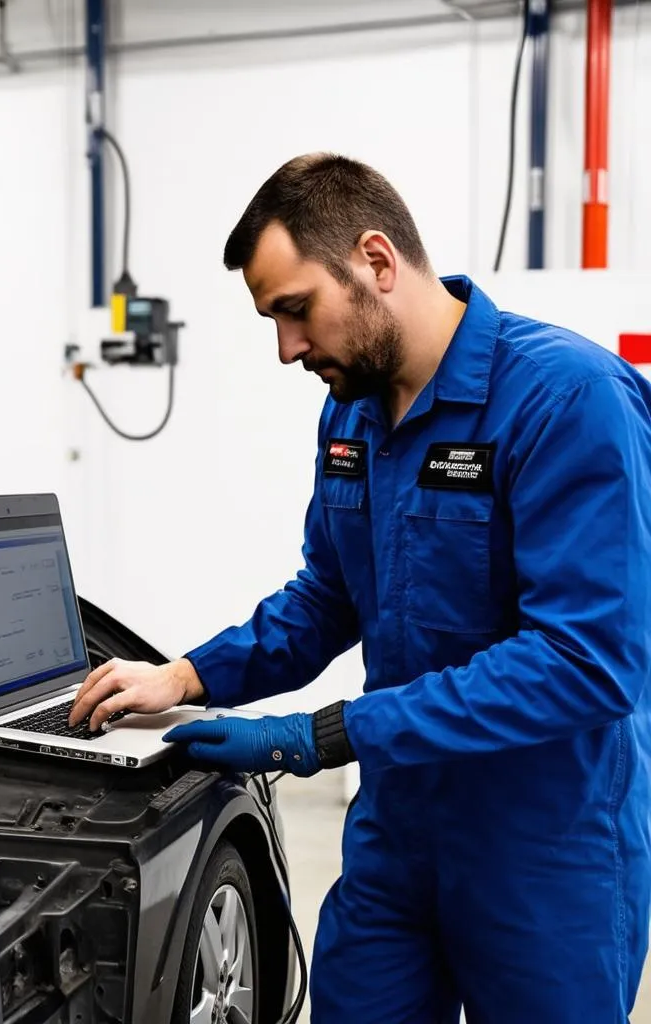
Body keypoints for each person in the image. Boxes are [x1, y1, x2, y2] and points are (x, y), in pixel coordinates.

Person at [68, 152, 651, 1022]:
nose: (287, 349)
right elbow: (328, 596)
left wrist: (322, 735)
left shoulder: (568, 400)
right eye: (272, 320)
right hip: (398, 833)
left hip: (545, 846)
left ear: (377, 262)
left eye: (296, 310)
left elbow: (587, 661)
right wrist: (184, 678)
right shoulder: (352, 410)